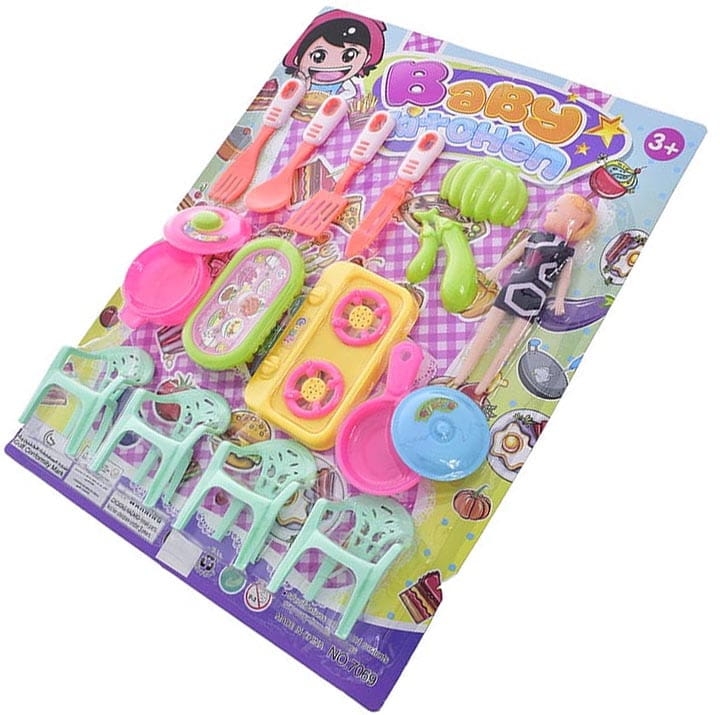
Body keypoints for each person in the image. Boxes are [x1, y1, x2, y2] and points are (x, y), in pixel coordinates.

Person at [449, 193, 597, 397]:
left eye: (556, 210)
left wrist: (560, 300)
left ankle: (483, 386)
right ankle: (460, 375)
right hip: (514, 287)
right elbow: (513, 255)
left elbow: (564, 278)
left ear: (572, 223)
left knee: (508, 345)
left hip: (535, 298)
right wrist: (496, 269)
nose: (549, 212)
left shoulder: (565, 254)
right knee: (484, 332)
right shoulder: (535, 238)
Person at [282, 10, 386, 100]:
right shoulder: (300, 79)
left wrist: (336, 100)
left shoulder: (346, 84)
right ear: (297, 59)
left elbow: (350, 92)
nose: (332, 64)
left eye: (348, 56)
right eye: (318, 56)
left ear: (367, 59)